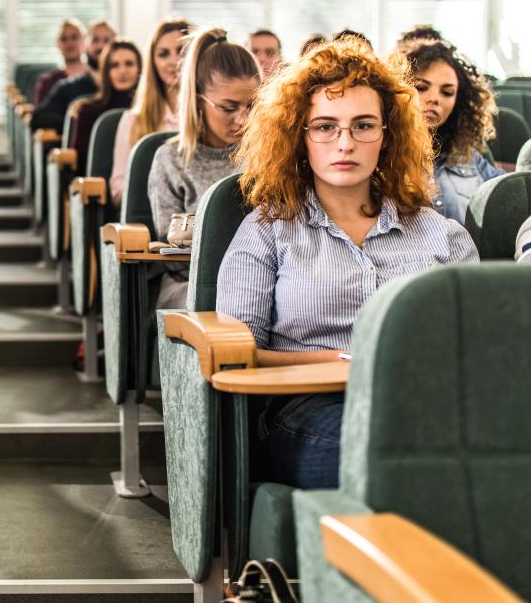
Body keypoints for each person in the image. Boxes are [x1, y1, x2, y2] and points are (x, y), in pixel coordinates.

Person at [217, 37, 478, 490]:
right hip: (308, 406)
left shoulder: (443, 235)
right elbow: (238, 352)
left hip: (425, 401)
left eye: (363, 125)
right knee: (385, 453)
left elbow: (478, 345)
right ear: (300, 136)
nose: (345, 143)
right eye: (324, 126)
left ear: (387, 135)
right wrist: (343, 361)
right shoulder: (268, 230)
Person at [148, 28, 261, 308]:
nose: (243, 119)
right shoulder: (170, 159)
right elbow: (173, 256)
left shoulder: (266, 155)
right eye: (228, 107)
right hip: (191, 286)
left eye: (252, 105)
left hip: (257, 280)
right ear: (199, 101)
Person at [402, 38, 502, 223]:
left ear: (458, 102)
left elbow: (515, 194)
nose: (434, 98)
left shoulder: (469, 158)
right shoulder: (378, 157)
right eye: (421, 88)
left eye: (447, 92)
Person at [110, 19, 190, 206]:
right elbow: (117, 185)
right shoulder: (132, 119)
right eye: (163, 54)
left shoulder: (213, 115)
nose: (173, 61)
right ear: (152, 62)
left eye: (181, 51)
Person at [28, 19, 117, 133]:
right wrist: (79, 123)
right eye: (95, 40)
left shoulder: (123, 84)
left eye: (107, 40)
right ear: (86, 44)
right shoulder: (65, 85)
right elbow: (39, 118)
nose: (101, 46)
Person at [70, 39, 141, 170]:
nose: (122, 71)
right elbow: (81, 165)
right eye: (114, 65)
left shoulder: (150, 110)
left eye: (129, 64)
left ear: (140, 69)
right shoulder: (87, 111)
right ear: (105, 71)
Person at [31, 18, 87, 107]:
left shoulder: (97, 79)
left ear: (84, 41)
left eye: (74, 37)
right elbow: (41, 117)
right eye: (64, 39)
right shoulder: (47, 82)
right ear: (58, 44)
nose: (70, 43)